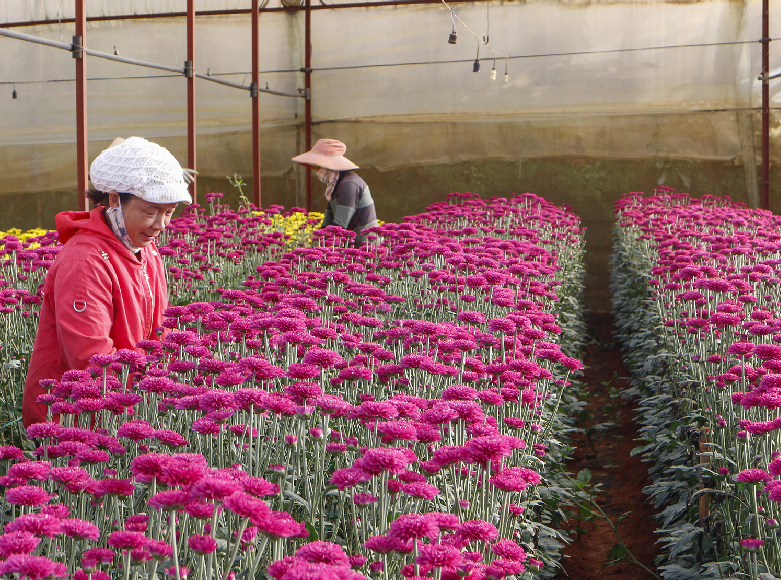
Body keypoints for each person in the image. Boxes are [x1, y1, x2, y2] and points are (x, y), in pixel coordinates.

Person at [22, 136, 192, 428]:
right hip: (72, 420)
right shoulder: (85, 261)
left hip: (127, 406)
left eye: (169, 213)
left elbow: (157, 330)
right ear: (115, 200)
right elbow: (91, 358)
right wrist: (154, 388)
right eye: (151, 212)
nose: (161, 224)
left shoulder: (143, 248)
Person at [292, 139, 378, 246]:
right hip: (351, 243)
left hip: (367, 247)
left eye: (318, 167)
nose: (317, 171)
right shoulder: (335, 185)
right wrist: (316, 239)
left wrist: (320, 244)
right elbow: (328, 221)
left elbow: (339, 226)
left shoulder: (349, 185)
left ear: (329, 166)